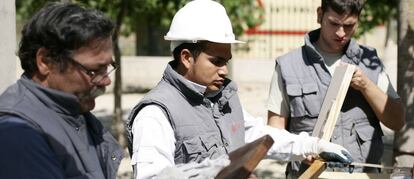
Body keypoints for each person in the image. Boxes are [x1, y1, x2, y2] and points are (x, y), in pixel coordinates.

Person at [126, 0, 353, 178]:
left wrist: (313, 145)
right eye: (217, 61)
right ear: (186, 57)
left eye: (227, 61)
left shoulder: (221, 99)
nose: (225, 70)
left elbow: (257, 135)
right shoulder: (155, 114)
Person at [267, 0, 405, 177]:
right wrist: (299, 151)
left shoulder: (370, 62)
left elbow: (397, 122)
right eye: (334, 23)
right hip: (307, 175)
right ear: (319, 15)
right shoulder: (288, 66)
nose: (341, 33)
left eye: (349, 25)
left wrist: (366, 85)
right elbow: (274, 133)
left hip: (362, 175)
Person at [0, 2, 123, 179]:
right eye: (94, 70)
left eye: (108, 67)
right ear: (45, 61)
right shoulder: (18, 134)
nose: (106, 80)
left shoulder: (74, 114)